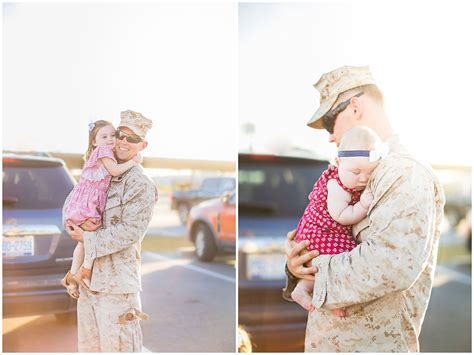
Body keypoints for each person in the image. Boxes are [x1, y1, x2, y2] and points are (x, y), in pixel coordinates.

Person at [283, 65, 445, 352]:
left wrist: (315, 271)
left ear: (355, 107)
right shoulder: (355, 173)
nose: (330, 136)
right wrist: (298, 267)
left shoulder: (404, 173)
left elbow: (391, 265)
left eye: (330, 122)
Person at [64, 110, 158, 352]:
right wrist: (71, 222)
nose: (124, 142)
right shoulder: (100, 170)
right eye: (120, 135)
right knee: (89, 349)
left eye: (132, 138)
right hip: (89, 283)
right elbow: (73, 200)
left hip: (116, 287)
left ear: (142, 145)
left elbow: (130, 232)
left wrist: (87, 237)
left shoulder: (140, 184)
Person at [291, 126, 386, 316]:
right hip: (322, 232)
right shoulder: (336, 185)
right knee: (341, 259)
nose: (363, 179)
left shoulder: (348, 178)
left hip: (325, 232)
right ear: (337, 162)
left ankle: (302, 289)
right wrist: (362, 206)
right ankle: (333, 300)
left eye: (370, 172)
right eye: (356, 172)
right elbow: (341, 215)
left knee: (321, 266)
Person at [61, 120, 141, 297]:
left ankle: (74, 275)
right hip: (88, 205)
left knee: (84, 241)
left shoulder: (99, 152)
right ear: (94, 141)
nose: (111, 139)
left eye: (113, 135)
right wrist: (133, 162)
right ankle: (82, 273)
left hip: (84, 203)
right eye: (104, 136)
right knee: (90, 238)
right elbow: (114, 171)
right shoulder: (104, 151)